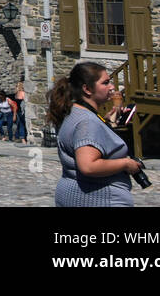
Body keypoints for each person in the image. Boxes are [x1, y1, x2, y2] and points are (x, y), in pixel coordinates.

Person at [49, 61, 140, 207]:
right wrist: (126, 163)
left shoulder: (76, 112)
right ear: (87, 89)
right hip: (99, 198)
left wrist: (108, 123)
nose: (112, 87)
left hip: (75, 195)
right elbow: (88, 166)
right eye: (105, 83)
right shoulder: (87, 121)